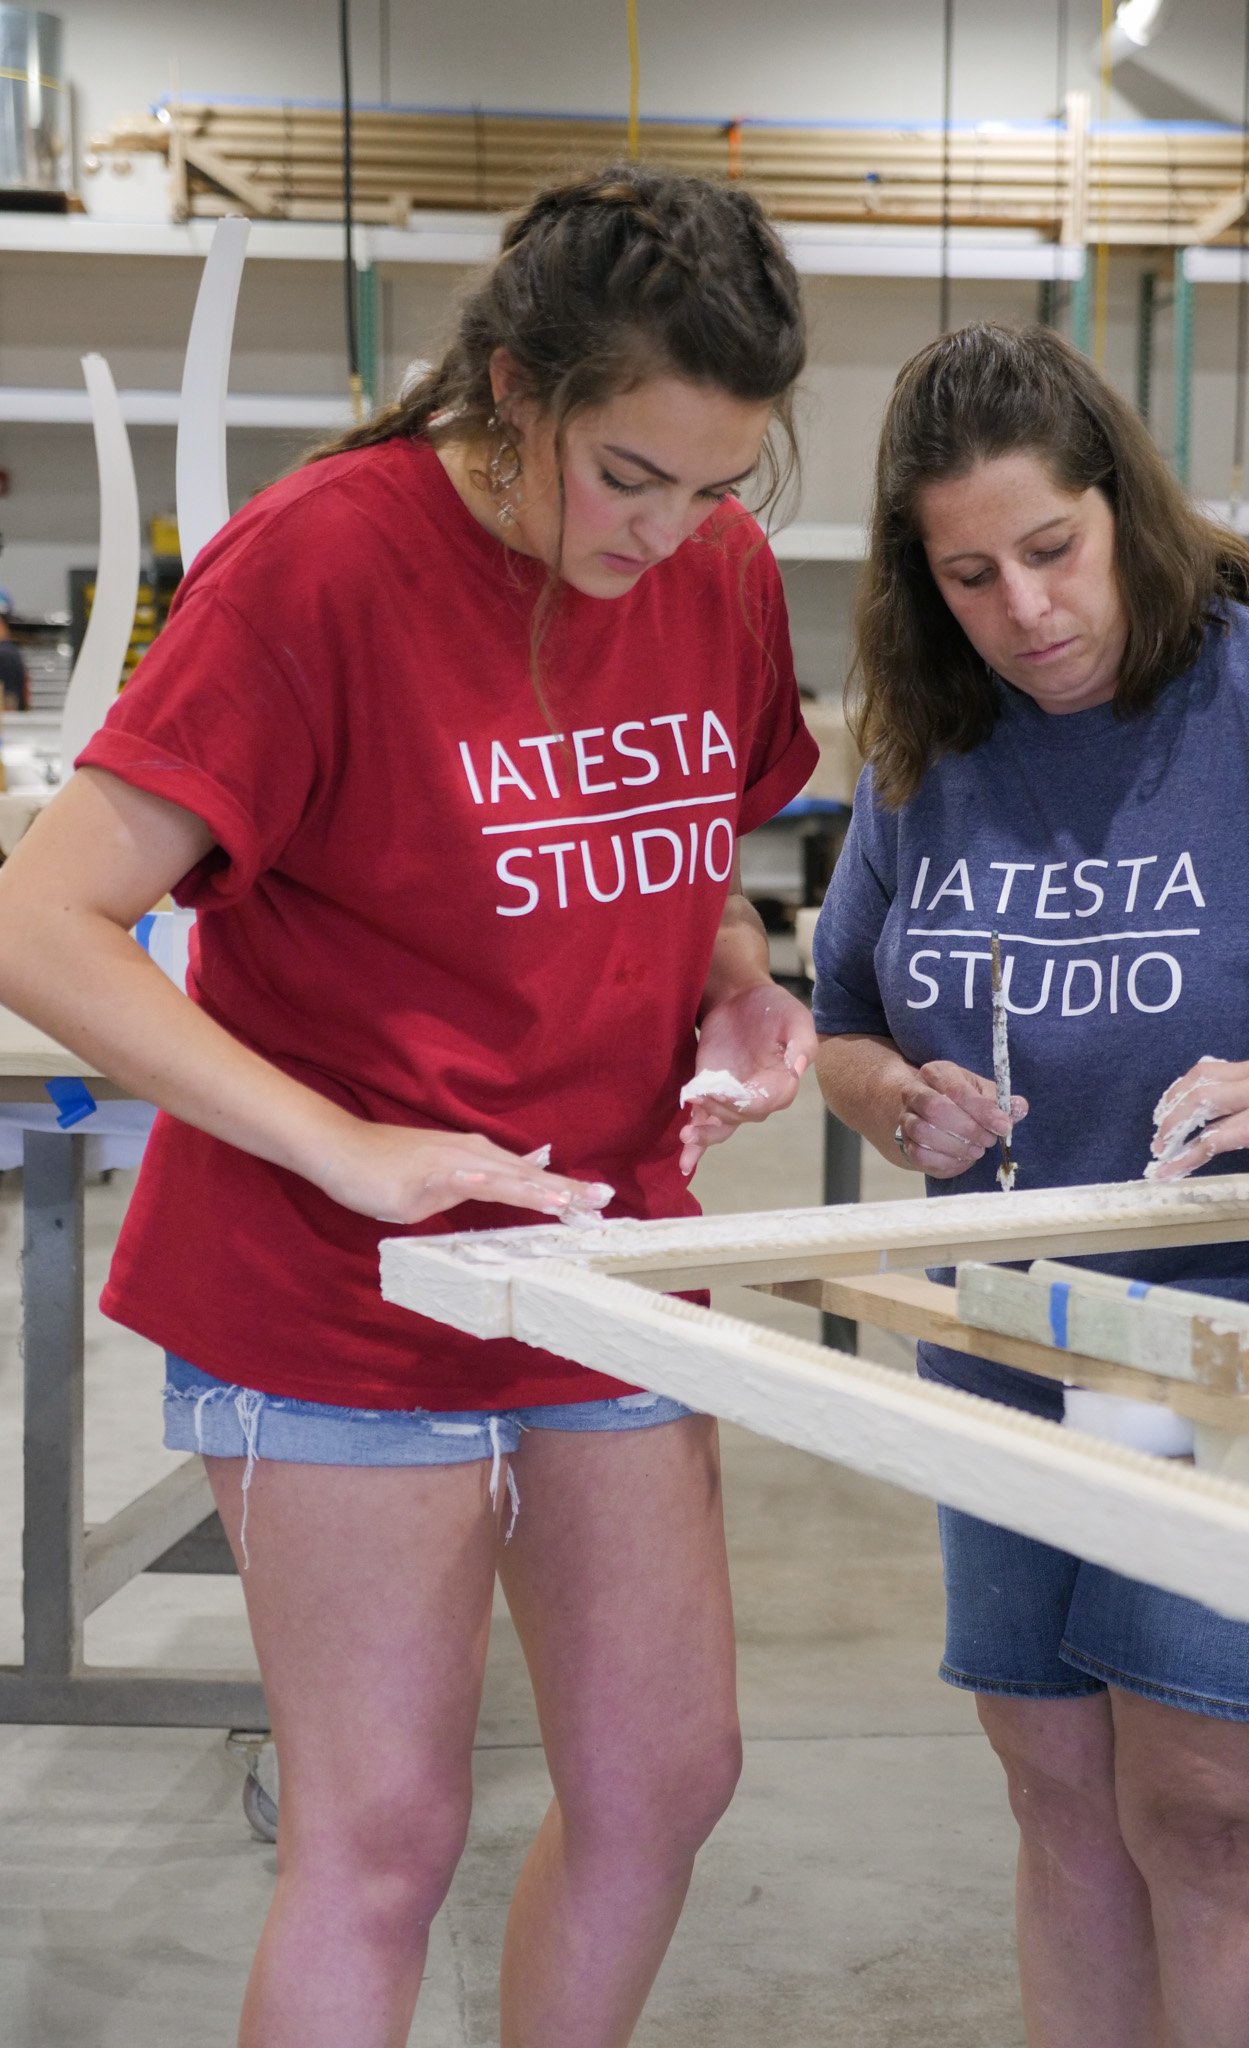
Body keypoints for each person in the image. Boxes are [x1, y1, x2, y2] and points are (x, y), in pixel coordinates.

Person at [0, 168, 819, 2048]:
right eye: (628, 475)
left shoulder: (716, 571)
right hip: (331, 1295)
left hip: (597, 1251)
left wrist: (736, 977)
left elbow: (686, 839)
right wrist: (340, 1144)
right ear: (511, 388)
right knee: (382, 1832)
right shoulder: (319, 566)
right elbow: (41, 921)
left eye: (718, 487)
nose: (669, 532)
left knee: (662, 1777)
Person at [812, 320, 1249, 2048]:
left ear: (1123, 509)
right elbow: (842, 1016)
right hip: (1004, 1362)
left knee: (1220, 1823)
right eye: (971, 575)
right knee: (1063, 1805)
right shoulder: (933, 742)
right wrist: (897, 1099)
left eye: (1053, 551)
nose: (1028, 611)